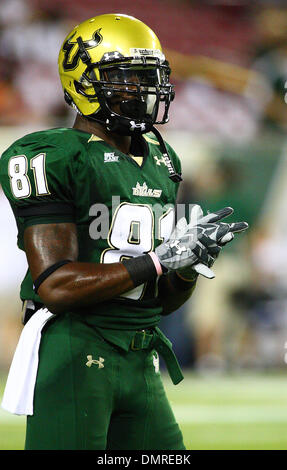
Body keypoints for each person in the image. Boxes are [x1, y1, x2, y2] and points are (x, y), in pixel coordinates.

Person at [0, 13, 248, 450]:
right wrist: (157, 260)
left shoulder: (160, 157)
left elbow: (164, 298)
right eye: (125, 78)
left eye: (148, 77)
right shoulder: (51, 155)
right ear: (83, 82)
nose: (141, 90)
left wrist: (188, 265)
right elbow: (55, 283)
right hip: (76, 346)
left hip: (141, 351)